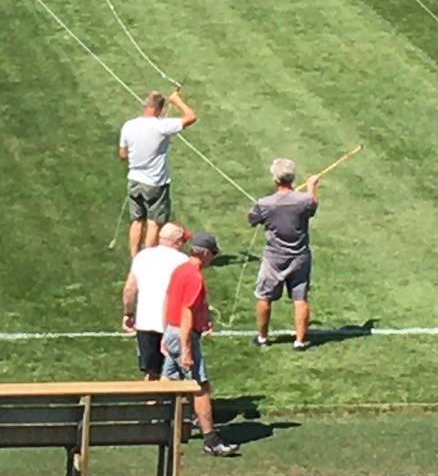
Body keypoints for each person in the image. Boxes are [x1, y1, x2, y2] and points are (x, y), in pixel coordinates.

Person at [162, 232, 239, 457]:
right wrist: (185, 348)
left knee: (168, 381)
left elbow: (168, 300)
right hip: (182, 335)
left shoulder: (180, 270)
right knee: (201, 386)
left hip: (171, 331)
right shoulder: (195, 277)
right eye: (212, 254)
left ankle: (156, 426)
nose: (212, 259)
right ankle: (211, 440)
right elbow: (187, 312)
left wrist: (165, 334)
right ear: (205, 253)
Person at [250, 158, 322, 350]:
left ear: (275, 179)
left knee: (264, 296)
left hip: (273, 258)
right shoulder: (304, 200)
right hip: (300, 256)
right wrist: (311, 187)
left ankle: (262, 337)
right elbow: (312, 207)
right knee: (300, 298)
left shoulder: (265, 203)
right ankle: (299, 341)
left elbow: (252, 219)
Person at [118, 89, 197, 251]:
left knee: (137, 221)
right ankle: (147, 258)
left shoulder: (129, 125)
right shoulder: (162, 126)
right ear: (159, 109)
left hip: (134, 180)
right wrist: (176, 101)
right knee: (153, 223)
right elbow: (191, 117)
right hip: (155, 183)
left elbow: (122, 154)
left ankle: (135, 259)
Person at [122, 223, 188, 380]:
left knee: (151, 373)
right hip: (173, 324)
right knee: (176, 371)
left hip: (146, 323)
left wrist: (128, 313)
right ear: (176, 241)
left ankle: (152, 402)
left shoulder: (142, 256)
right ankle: (177, 403)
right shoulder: (183, 260)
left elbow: (129, 289)